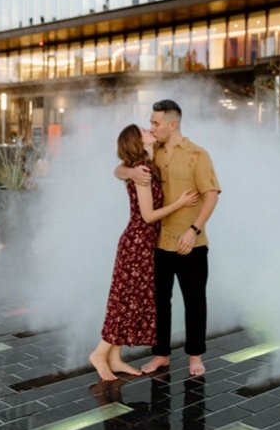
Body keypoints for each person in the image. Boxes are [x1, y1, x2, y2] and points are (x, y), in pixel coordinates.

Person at [117, 99, 221, 377]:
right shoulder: (153, 153)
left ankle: (195, 357)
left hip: (191, 244)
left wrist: (194, 229)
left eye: (155, 123)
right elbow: (119, 170)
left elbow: (211, 196)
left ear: (172, 124)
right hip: (159, 243)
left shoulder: (198, 155)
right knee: (159, 302)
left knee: (194, 301)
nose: (152, 127)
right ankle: (161, 355)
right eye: (150, 123)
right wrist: (128, 172)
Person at [88, 125, 199, 381]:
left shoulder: (144, 164)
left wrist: (126, 170)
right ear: (137, 141)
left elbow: (119, 170)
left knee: (125, 299)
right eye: (144, 129)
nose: (150, 129)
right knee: (126, 301)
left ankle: (115, 358)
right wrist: (180, 204)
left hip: (141, 244)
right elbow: (148, 216)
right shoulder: (143, 170)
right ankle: (99, 353)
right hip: (137, 243)